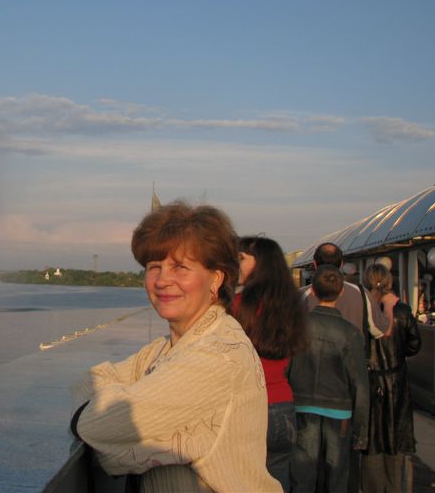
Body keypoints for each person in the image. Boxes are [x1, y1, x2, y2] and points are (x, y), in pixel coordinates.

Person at [71, 202, 281, 492]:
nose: (162, 280)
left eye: (180, 267)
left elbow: (94, 425)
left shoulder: (215, 356)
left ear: (216, 279)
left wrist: (114, 423)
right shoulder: (168, 348)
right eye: (154, 267)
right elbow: (90, 380)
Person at [232, 236, 310, 491]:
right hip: (284, 406)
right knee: (278, 479)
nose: (236, 264)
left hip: (249, 407)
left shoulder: (240, 306)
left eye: (242, 258)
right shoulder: (291, 305)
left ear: (260, 263)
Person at [289, 265, 369, 493]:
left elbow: (287, 368)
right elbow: (360, 384)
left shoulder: (298, 327)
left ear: (312, 291)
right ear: (341, 292)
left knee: (303, 475)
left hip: (303, 404)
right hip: (339, 409)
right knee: (336, 476)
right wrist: (361, 430)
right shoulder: (350, 332)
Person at [361, 264, 422, 493]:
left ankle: (372, 486)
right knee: (395, 438)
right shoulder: (402, 311)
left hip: (370, 379)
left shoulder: (363, 309)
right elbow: (414, 344)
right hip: (396, 381)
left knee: (372, 438)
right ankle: (394, 486)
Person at [301, 243, 391, 342]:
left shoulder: (301, 295)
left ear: (314, 264)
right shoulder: (361, 293)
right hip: (354, 350)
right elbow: (380, 330)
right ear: (341, 264)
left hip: (312, 351)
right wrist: (388, 305)